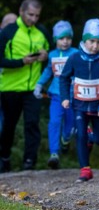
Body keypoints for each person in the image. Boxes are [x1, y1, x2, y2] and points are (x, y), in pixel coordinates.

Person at [60, 19, 99, 182]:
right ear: (84, 39)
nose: (95, 46)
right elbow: (64, 78)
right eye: (91, 41)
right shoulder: (75, 58)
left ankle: (92, 137)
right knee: (80, 135)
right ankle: (85, 170)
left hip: (98, 106)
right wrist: (64, 98)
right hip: (79, 105)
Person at [0, 0, 51, 172]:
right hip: (11, 88)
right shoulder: (8, 31)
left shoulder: (42, 31)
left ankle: (29, 162)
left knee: (32, 124)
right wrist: (21, 62)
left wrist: (45, 56)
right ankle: (4, 158)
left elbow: (52, 55)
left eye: (37, 15)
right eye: (30, 14)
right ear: (21, 12)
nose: (34, 19)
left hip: (33, 88)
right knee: (9, 126)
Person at [34, 20, 78, 169]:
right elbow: (48, 71)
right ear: (55, 40)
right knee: (54, 122)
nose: (65, 42)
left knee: (70, 124)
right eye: (61, 38)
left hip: (73, 96)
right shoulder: (52, 55)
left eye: (68, 38)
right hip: (56, 95)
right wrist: (39, 85)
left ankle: (66, 139)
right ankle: (54, 153)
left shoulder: (76, 53)